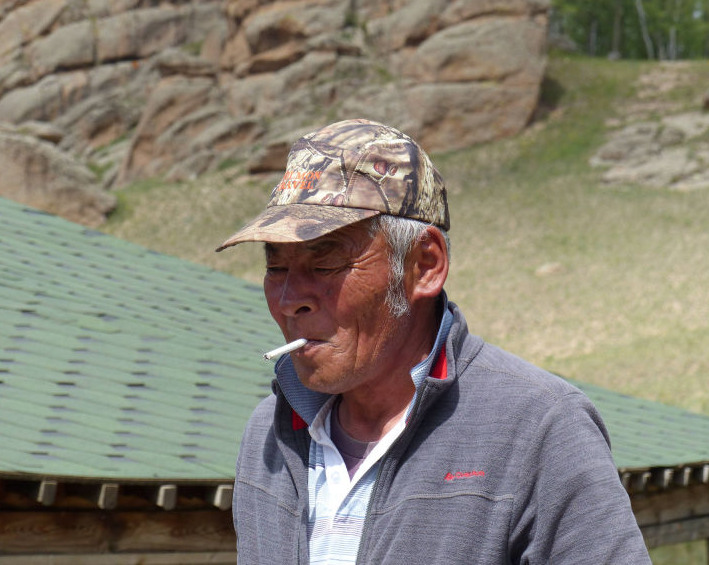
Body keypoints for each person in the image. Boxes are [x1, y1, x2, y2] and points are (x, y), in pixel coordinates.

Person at [216, 119, 651, 564]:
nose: (290, 300)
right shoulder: (270, 434)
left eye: (325, 264)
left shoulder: (539, 428)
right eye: (275, 268)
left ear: (424, 265)